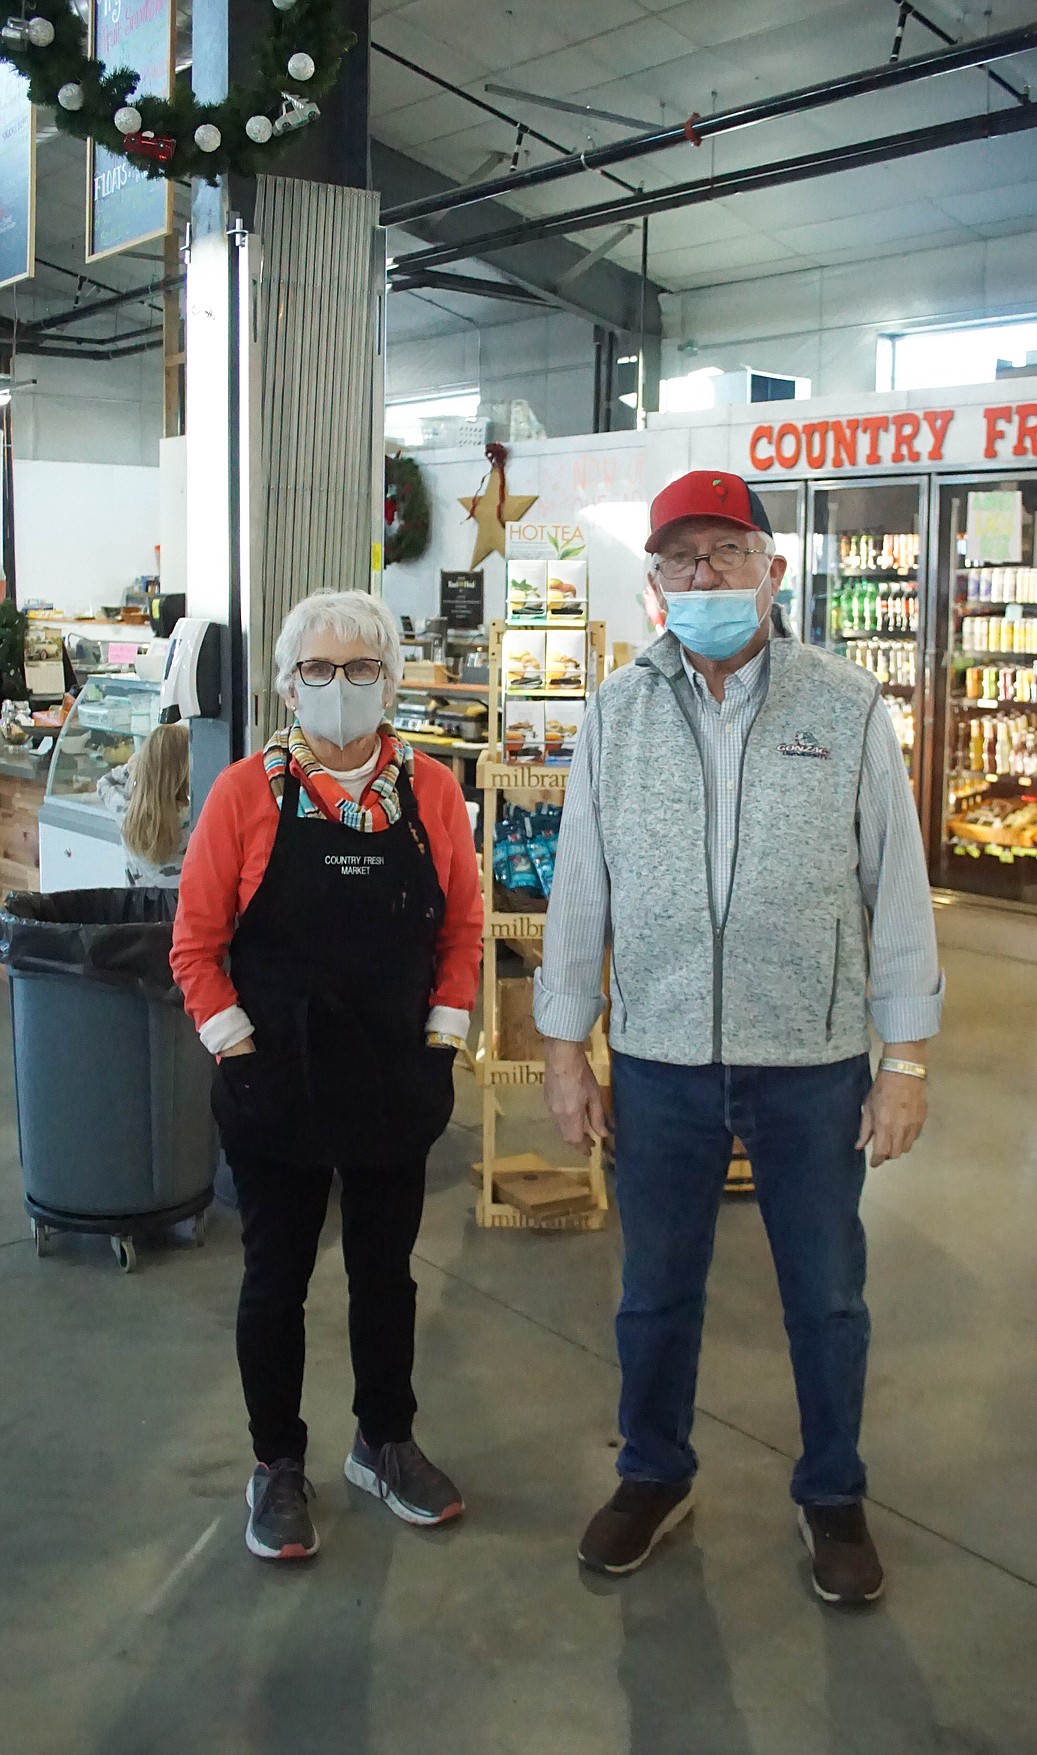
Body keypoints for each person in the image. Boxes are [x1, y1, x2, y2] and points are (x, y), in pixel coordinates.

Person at [535, 471, 943, 1604]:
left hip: (811, 1063)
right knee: (655, 1290)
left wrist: (903, 1058)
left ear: (773, 567)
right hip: (661, 1058)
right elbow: (581, 891)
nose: (702, 576)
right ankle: (654, 1473)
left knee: (827, 1294)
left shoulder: (846, 705)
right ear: (655, 581)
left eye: (724, 552)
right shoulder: (615, 712)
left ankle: (833, 1492)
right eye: (679, 559)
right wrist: (568, 1046)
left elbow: (895, 891)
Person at [171, 590, 482, 1562]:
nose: (338, 689)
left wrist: (442, 1044)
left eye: (359, 670)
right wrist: (238, 1052)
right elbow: (195, 946)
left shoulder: (430, 791)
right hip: (278, 1088)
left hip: (394, 1082)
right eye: (317, 670)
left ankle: (384, 1443)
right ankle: (276, 1464)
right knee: (275, 1282)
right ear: (286, 682)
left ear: (390, 680)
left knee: (384, 1279)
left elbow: (464, 929)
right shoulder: (244, 796)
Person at [98, 721, 190, 888]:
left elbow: (105, 783)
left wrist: (136, 766)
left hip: (138, 909)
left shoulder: (125, 811)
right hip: (178, 910)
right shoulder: (192, 817)